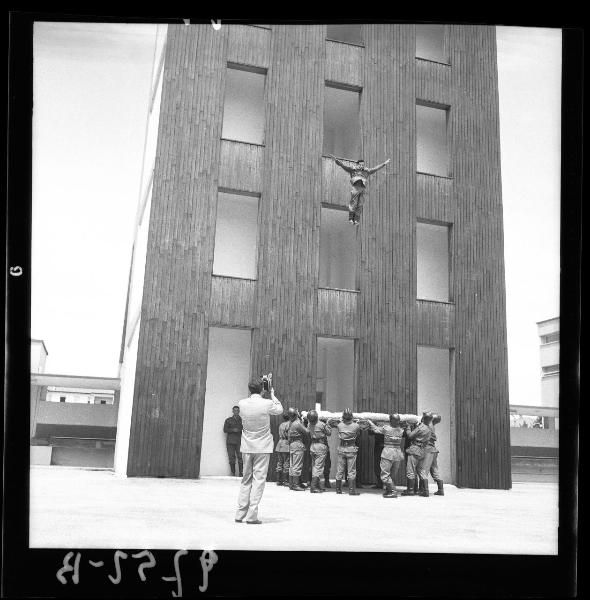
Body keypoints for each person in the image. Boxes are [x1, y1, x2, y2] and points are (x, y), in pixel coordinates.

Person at [235, 380, 283, 524]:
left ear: (249, 390)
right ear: (262, 389)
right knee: (259, 480)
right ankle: (252, 516)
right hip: (262, 447)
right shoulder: (267, 403)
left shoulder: (241, 403)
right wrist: (272, 394)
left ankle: (240, 514)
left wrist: (263, 391)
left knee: (246, 480)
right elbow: (279, 409)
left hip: (247, 446)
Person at [329, 155, 390, 224]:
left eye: (363, 165)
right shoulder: (353, 169)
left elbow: (376, 168)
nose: (362, 166)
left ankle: (356, 219)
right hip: (356, 186)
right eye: (360, 165)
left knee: (360, 204)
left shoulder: (367, 171)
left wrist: (384, 163)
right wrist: (336, 160)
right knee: (354, 203)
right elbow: (343, 166)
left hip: (363, 187)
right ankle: (351, 218)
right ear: (357, 165)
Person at [331, 408, 370, 495]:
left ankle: (338, 490)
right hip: (351, 449)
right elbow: (363, 428)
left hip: (341, 449)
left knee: (340, 470)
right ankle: (351, 490)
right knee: (351, 470)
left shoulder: (340, 425)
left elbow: (333, 423)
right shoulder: (356, 426)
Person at [366, 414, 405, 498]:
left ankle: (393, 491)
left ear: (390, 421)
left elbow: (376, 429)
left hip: (388, 453)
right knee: (392, 475)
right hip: (397, 454)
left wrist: (370, 422)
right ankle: (388, 490)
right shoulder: (401, 430)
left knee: (384, 475)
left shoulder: (387, 429)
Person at [401, 411, 432, 497]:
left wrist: (407, 427)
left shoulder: (421, 427)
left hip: (415, 449)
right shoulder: (429, 428)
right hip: (422, 451)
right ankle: (425, 491)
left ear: (424, 418)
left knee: (410, 470)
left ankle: (410, 490)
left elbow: (410, 436)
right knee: (421, 471)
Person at [307, 410, 332, 493]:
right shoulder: (321, 424)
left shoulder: (309, 424)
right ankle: (313, 487)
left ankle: (316, 485)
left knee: (314, 466)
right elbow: (329, 433)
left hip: (313, 446)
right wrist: (328, 424)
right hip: (320, 447)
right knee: (318, 467)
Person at [287, 407, 308, 491]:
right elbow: (307, 432)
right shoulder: (297, 423)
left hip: (292, 444)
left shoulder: (291, 423)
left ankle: (292, 483)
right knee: (297, 465)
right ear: (296, 414)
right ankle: (295, 485)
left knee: (292, 465)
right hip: (298, 444)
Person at [424, 413, 444, 496]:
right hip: (433, 450)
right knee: (434, 469)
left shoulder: (429, 424)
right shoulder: (432, 426)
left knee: (424, 470)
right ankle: (440, 489)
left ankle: (424, 490)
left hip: (428, 450)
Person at [223, 406, 243, 477]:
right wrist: (232, 430)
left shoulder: (242, 420)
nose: (236, 412)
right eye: (235, 410)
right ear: (232, 411)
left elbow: (245, 430)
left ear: (239, 411)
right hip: (230, 442)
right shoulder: (228, 420)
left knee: (240, 457)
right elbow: (225, 430)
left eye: (237, 410)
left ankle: (241, 473)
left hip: (239, 442)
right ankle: (233, 473)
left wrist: (240, 430)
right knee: (231, 458)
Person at [274, 413, 290, 486]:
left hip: (279, 444)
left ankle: (278, 480)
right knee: (286, 462)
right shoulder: (289, 424)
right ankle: (286, 481)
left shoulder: (281, 424)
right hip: (286, 444)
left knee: (280, 462)